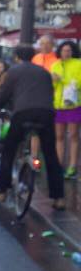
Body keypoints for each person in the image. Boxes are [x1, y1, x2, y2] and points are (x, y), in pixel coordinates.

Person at [0, 44, 66, 210]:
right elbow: (50, 94)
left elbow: (3, 94)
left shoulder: (14, 71)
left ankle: (2, 191)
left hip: (23, 113)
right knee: (51, 155)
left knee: (8, 150)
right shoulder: (44, 72)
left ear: (16, 57)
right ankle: (59, 198)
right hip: (46, 113)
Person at [51, 40, 81, 179]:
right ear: (60, 51)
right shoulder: (55, 65)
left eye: (69, 50)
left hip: (73, 104)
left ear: (73, 51)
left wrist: (61, 79)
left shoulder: (78, 64)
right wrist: (53, 80)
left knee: (73, 135)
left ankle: (72, 166)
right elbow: (53, 86)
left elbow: (78, 83)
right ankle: (58, 165)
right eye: (64, 50)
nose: (66, 53)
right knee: (59, 136)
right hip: (58, 105)